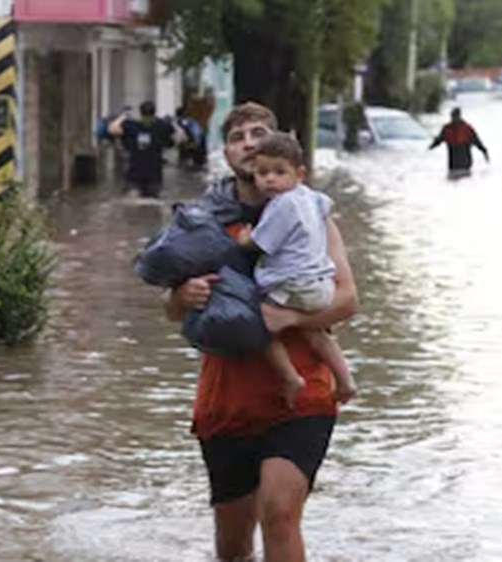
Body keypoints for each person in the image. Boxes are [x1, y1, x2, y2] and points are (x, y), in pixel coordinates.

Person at [165, 102, 358, 562]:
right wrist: (180, 297)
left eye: (259, 133)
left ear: (283, 154)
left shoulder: (313, 215)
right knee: (233, 550)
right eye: (237, 137)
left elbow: (347, 299)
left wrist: (290, 319)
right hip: (226, 397)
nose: (249, 143)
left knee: (279, 511)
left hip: (302, 394)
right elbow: (170, 309)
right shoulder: (203, 222)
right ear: (226, 153)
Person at [233, 133, 357, 408]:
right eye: (263, 172)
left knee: (261, 326)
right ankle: (346, 380)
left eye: (279, 172)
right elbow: (326, 205)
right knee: (316, 335)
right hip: (319, 286)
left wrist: (244, 238)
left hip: (291, 284)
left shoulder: (281, 205)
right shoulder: (310, 198)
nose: (270, 180)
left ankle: (290, 377)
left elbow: (261, 243)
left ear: (299, 173)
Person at [109, 101, 181, 198]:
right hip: (153, 179)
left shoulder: (132, 126)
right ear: (154, 113)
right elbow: (181, 137)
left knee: (132, 200)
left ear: (140, 113)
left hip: (135, 178)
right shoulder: (161, 126)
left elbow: (112, 129)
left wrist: (124, 116)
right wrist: (173, 123)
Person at [429, 108, 490, 178]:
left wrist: (484, 152)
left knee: (464, 180)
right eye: (452, 117)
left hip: (465, 165)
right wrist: (430, 147)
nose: (453, 119)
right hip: (453, 165)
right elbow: (438, 141)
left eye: (455, 116)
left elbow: (477, 142)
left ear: (459, 116)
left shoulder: (467, 129)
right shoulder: (446, 129)